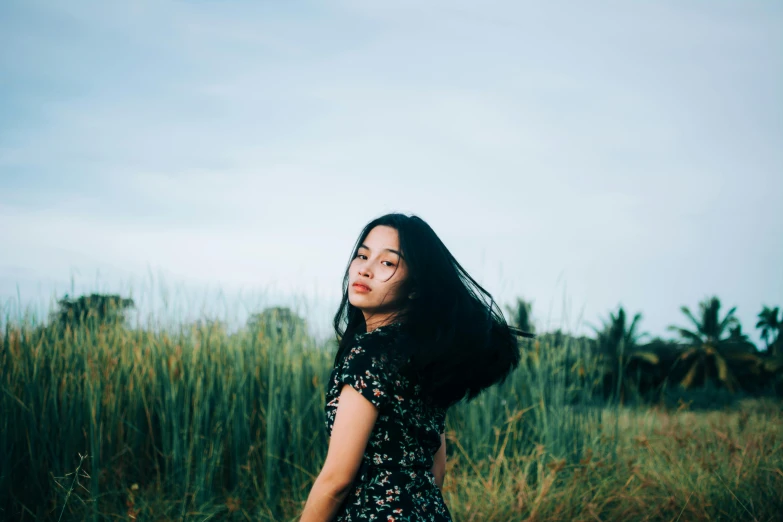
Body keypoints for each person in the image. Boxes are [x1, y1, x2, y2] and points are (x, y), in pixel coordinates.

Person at [300, 213, 528, 521]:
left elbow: (336, 481)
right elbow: (437, 469)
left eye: (387, 263)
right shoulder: (422, 356)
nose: (365, 269)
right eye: (363, 255)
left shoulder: (370, 354)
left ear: (416, 286)